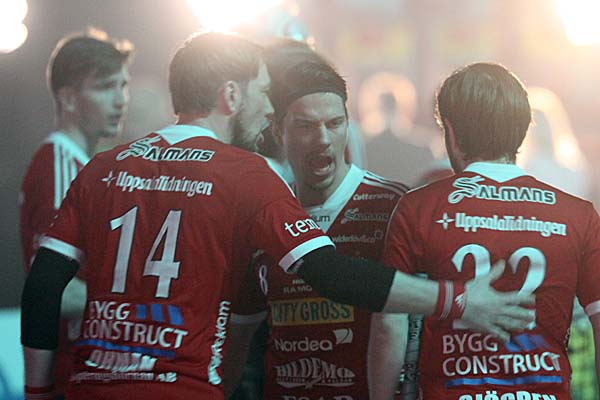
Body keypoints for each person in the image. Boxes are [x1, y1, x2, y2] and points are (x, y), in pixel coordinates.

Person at [21, 33, 534, 400]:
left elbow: (41, 287)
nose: (268, 109)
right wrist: (458, 299)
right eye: (264, 93)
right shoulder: (245, 175)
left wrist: (38, 391)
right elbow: (330, 273)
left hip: (91, 386)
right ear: (231, 95)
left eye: (334, 123)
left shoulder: (105, 168)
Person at [383, 62, 600, 399]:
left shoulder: (418, 207)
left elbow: (389, 324)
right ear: (523, 131)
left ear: (451, 133)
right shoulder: (579, 215)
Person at [226, 47, 409, 400]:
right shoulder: (263, 212)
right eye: (306, 126)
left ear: (348, 126)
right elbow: (239, 335)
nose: (323, 138)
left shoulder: (393, 204)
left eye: (334, 124)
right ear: (278, 131)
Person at [19, 28, 132, 398]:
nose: (120, 100)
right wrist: (138, 305)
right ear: (68, 98)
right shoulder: (60, 164)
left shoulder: (78, 164)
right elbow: (54, 289)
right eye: (105, 87)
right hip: (74, 374)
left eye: (123, 85)